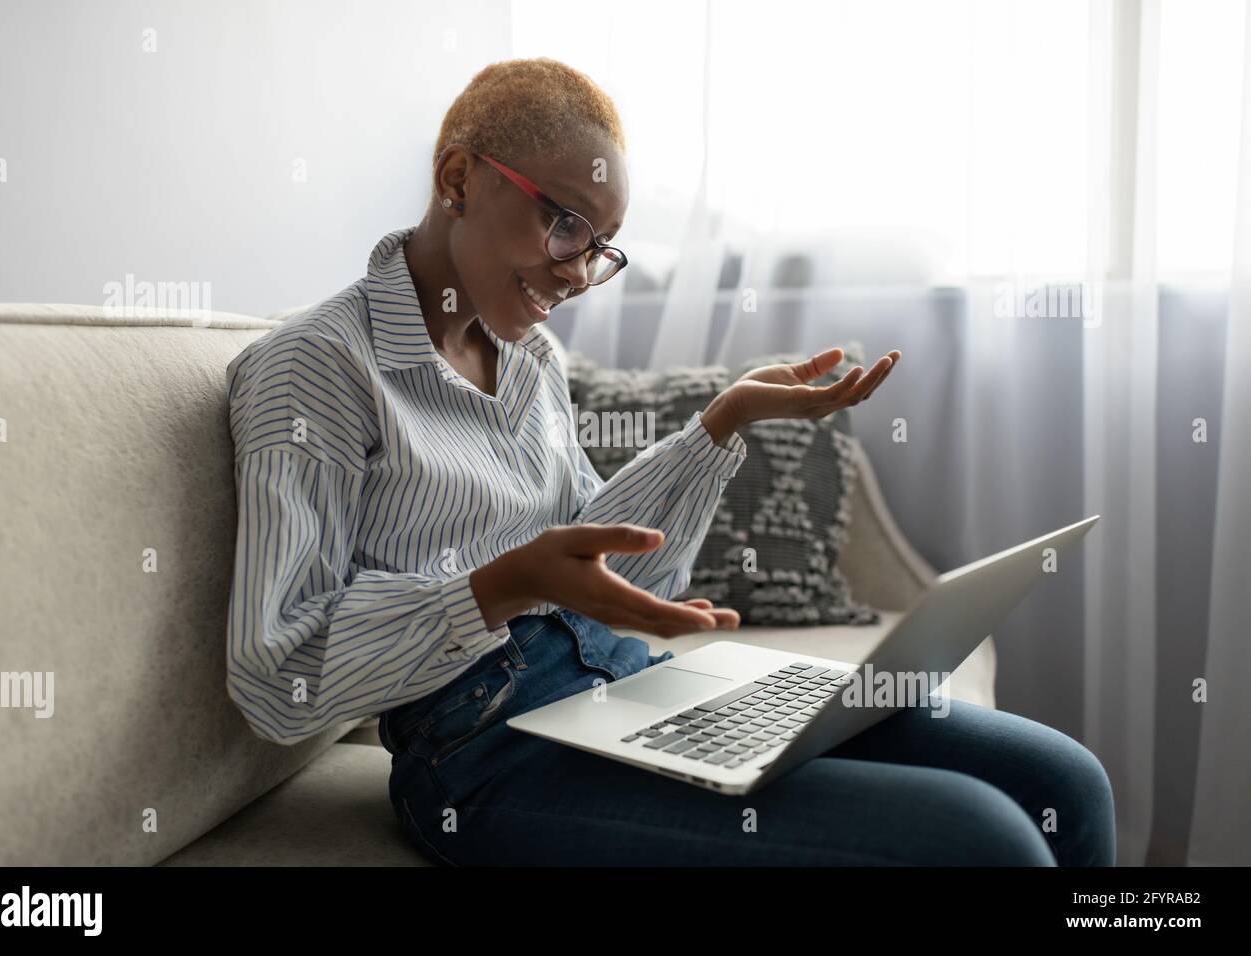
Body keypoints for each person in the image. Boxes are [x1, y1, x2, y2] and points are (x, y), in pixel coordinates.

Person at [224, 57, 1115, 866]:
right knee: (982, 842)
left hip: (625, 683)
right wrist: (496, 588)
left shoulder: (528, 359)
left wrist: (722, 424)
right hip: (481, 754)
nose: (577, 274)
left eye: (601, 246)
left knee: (1064, 785)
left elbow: (622, 572)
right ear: (459, 177)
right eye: (564, 224)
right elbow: (277, 675)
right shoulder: (315, 367)